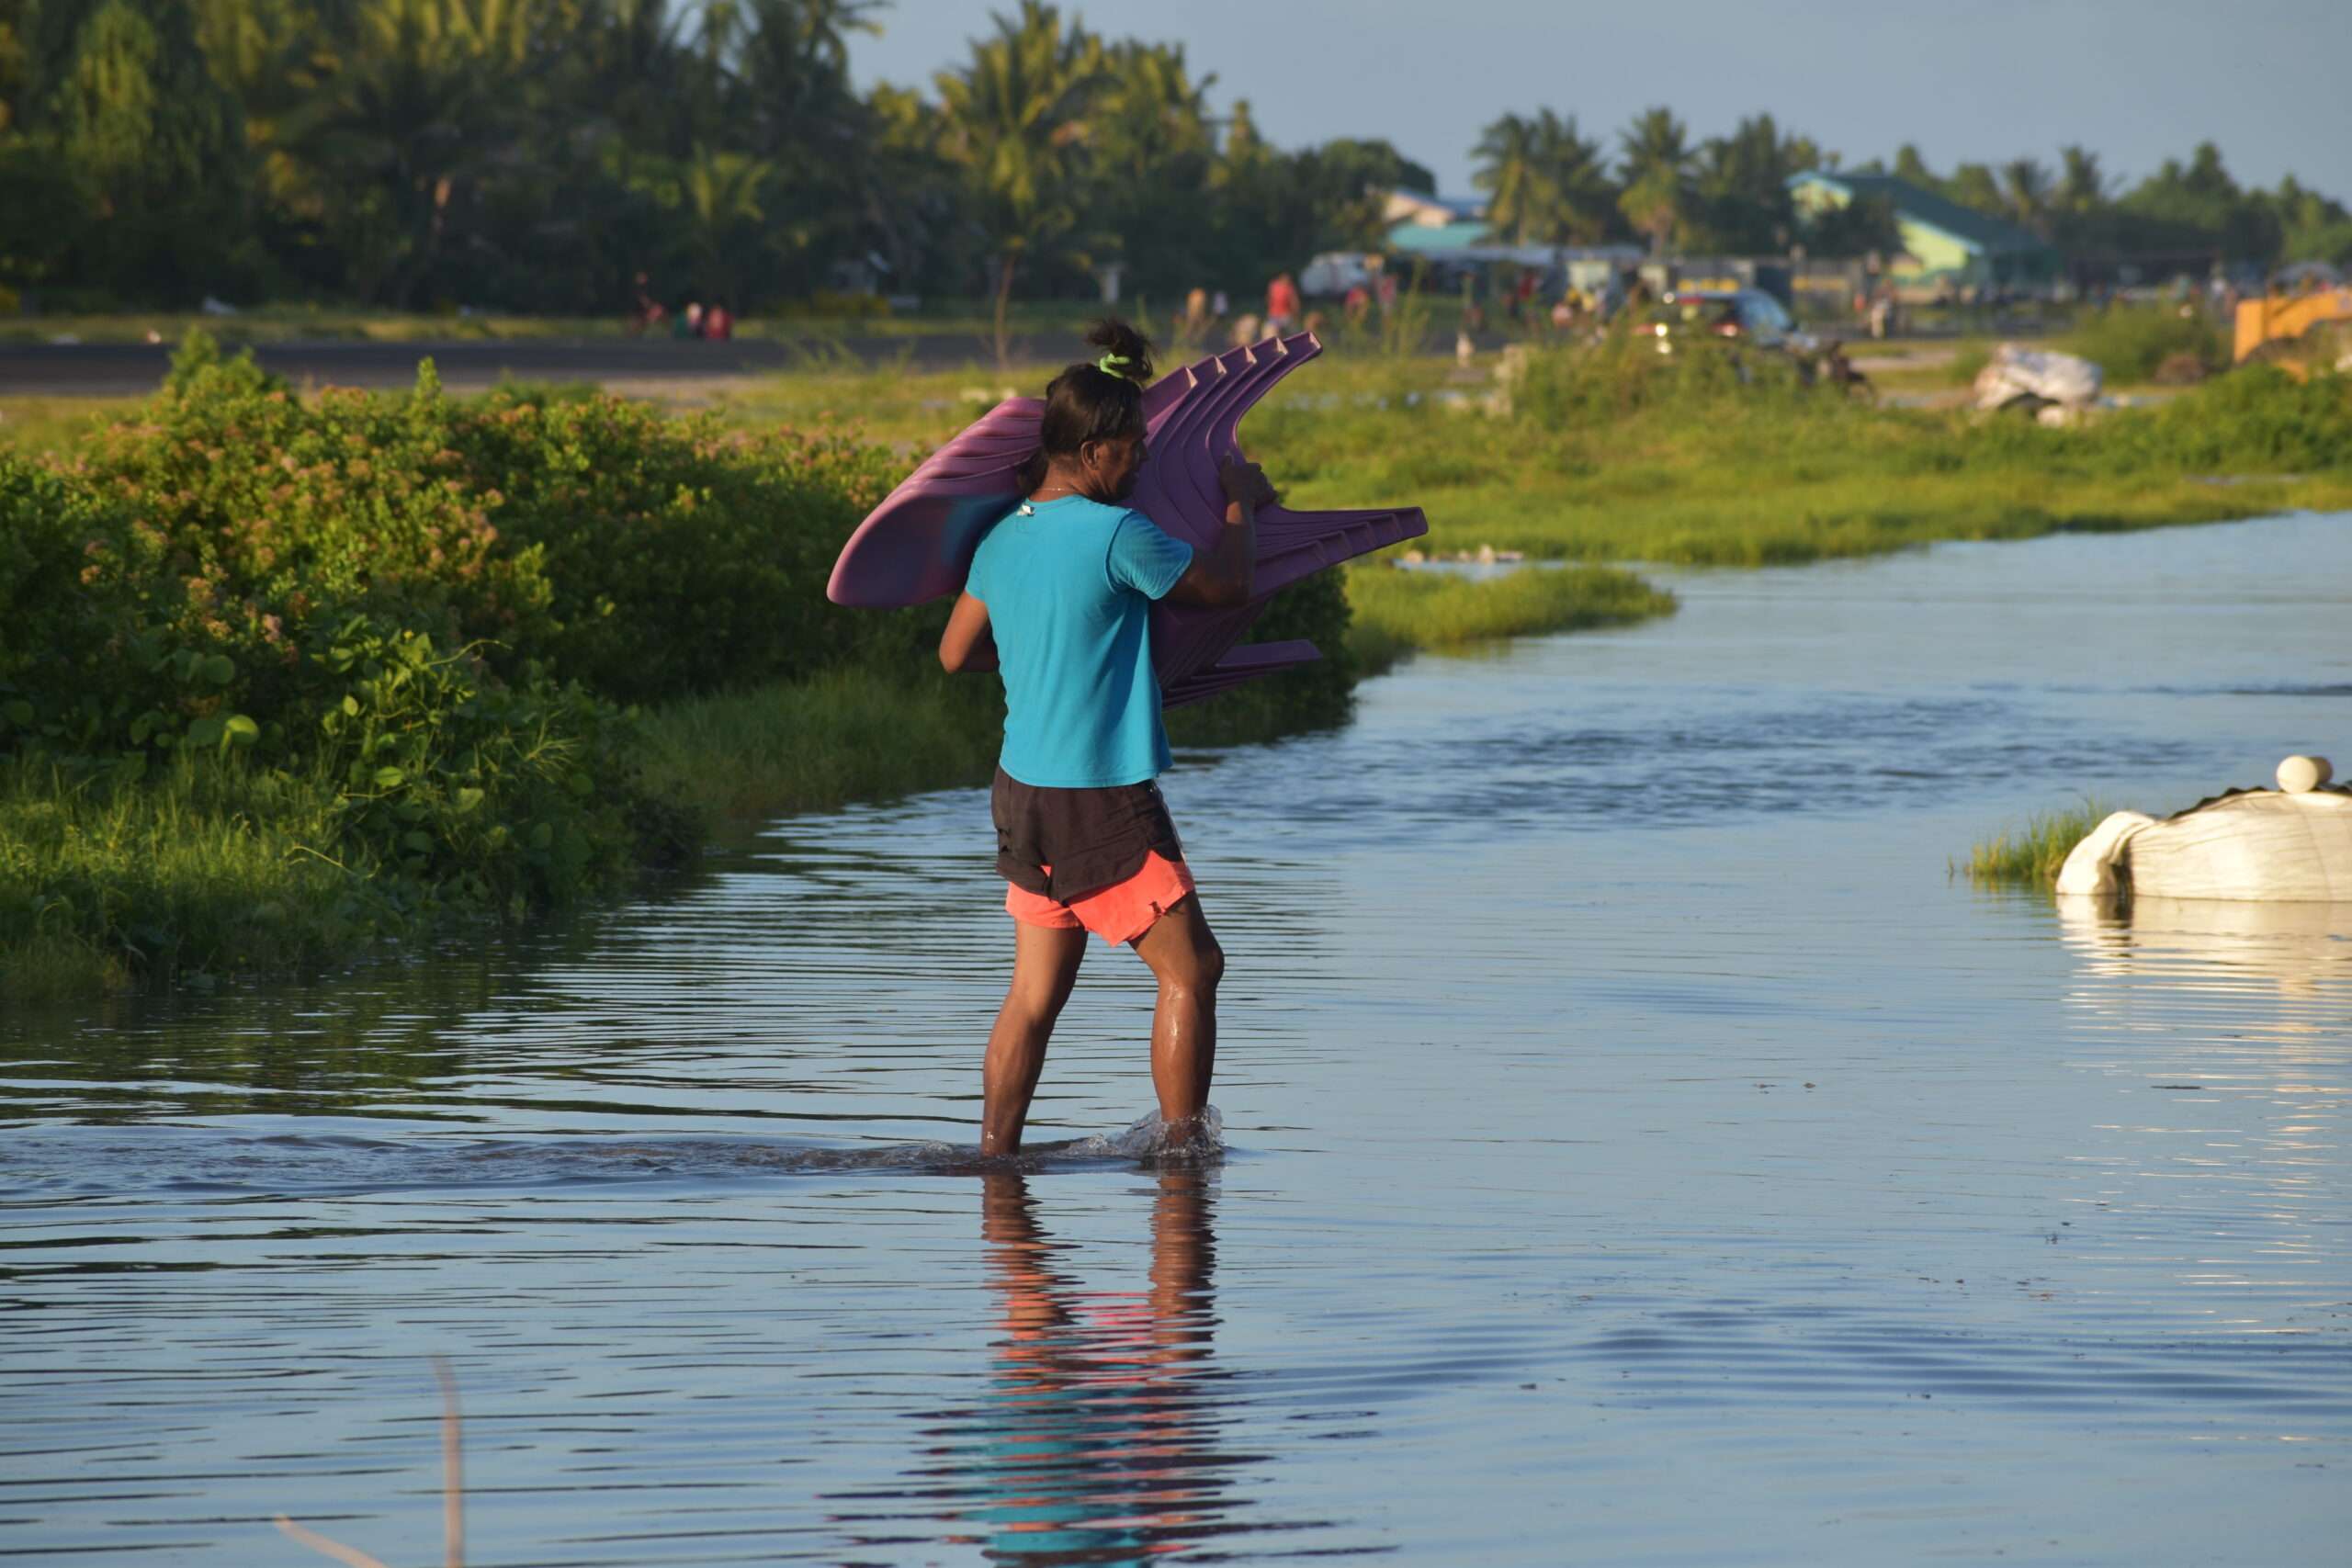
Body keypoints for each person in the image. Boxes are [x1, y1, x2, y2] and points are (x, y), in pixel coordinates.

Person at [937, 319, 1272, 1156]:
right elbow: (1225, 586)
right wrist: (1239, 501)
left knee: (1033, 994)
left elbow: (954, 654)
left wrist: (1038, 651)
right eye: (1134, 449)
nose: (1143, 462)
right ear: (1092, 453)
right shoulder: (1120, 535)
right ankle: (1183, 1161)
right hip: (1098, 796)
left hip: (1021, 794)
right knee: (1193, 969)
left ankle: (994, 1160)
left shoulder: (1002, 537)